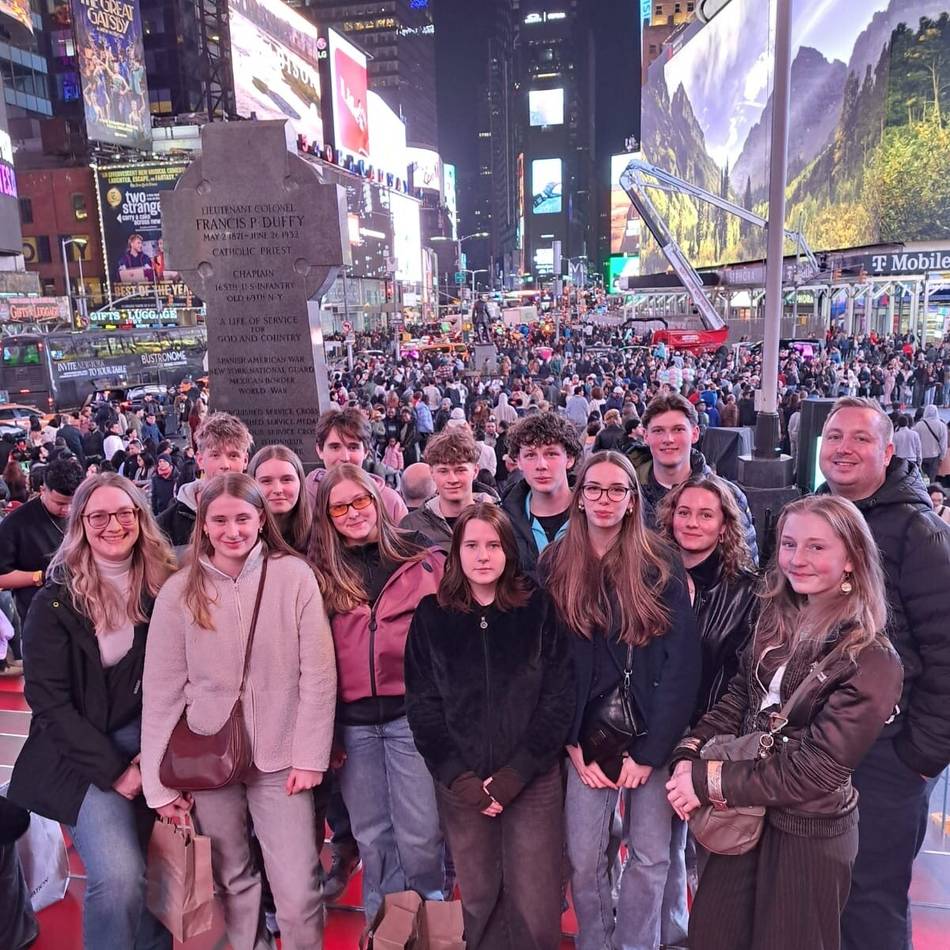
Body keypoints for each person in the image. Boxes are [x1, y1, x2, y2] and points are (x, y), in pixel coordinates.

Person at [666, 495, 904, 950]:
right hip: (739, 818)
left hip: (806, 833)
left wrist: (706, 780)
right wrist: (689, 749)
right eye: (790, 544)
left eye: (817, 547)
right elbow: (740, 695)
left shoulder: (873, 657)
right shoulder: (774, 616)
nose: (797, 559)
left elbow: (816, 771)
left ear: (852, 559)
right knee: (712, 936)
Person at [141, 474, 336, 950]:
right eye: (221, 520)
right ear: (204, 525)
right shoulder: (179, 592)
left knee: (297, 890)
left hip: (282, 760)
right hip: (207, 758)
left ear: (261, 520)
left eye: (243, 518)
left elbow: (318, 674)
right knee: (232, 880)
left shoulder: (294, 577)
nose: (233, 530)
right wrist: (157, 784)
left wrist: (310, 755)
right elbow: (163, 691)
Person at [8, 473, 179, 950]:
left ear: (140, 517)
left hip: (151, 743)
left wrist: (160, 755)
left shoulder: (166, 584)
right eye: (98, 516)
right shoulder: (55, 601)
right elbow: (49, 702)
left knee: (156, 874)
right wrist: (116, 771)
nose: (113, 525)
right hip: (81, 756)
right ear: (80, 523)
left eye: (124, 513)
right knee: (119, 876)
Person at [543, 450, 700, 950]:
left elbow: (681, 665)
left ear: (633, 500)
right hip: (586, 737)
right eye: (594, 489)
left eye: (617, 490)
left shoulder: (659, 562)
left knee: (651, 857)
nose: (604, 499)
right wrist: (572, 743)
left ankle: (636, 944)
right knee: (585, 858)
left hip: (652, 732)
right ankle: (597, 941)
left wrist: (651, 753)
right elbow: (547, 664)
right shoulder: (556, 563)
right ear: (579, 497)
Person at [405, 504, 574, 949]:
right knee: (479, 899)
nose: (483, 556)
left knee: (536, 901)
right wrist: (459, 777)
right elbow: (423, 707)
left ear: (509, 551)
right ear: (456, 553)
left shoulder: (538, 609)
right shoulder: (431, 616)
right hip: (462, 783)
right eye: (472, 545)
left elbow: (557, 700)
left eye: (494, 545)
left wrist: (516, 774)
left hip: (531, 779)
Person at [817, 397, 950, 950]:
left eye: (861, 438)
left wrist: (919, 756)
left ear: (889, 451)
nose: (844, 448)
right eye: (834, 436)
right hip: (819, 746)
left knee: (870, 901)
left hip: (888, 754)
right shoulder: (816, 516)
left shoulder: (919, 532)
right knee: (823, 893)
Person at [309, 464, 445, 920]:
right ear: (327, 516)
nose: (353, 513)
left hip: (412, 718)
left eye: (360, 501)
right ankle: (384, 930)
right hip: (354, 726)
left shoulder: (421, 555)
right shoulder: (320, 573)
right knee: (373, 837)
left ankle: (428, 925)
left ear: (377, 500)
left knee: (421, 834)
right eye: (339, 507)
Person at [657, 474, 759, 722]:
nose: (692, 523)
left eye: (706, 515)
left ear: (723, 527)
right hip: (648, 724)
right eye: (684, 513)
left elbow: (740, 684)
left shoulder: (749, 593)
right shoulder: (650, 579)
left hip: (709, 729)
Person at [628, 392, 759, 562]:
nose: (668, 439)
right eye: (658, 431)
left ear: (695, 433)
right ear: (646, 436)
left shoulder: (730, 496)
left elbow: (745, 564)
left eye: (678, 429)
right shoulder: (627, 496)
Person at [0, 455, 84, 626]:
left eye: (73, 503)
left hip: (84, 605)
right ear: (43, 490)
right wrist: (44, 576)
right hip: (40, 612)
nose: (67, 510)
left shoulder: (85, 512)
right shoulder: (16, 523)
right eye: (60, 503)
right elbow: (2, 577)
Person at [157, 411, 252, 554]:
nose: (225, 465)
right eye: (215, 455)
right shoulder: (165, 526)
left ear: (245, 461)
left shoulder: (262, 511)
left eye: (233, 455)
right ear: (200, 460)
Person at [500, 412, 582, 573]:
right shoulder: (503, 523)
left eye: (551, 454)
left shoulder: (593, 514)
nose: (541, 465)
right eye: (530, 455)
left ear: (570, 459)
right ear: (518, 461)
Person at [401, 428, 498, 552]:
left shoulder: (498, 521)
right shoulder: (411, 526)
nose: (452, 479)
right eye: (443, 471)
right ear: (432, 473)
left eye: (460, 470)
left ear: (475, 471)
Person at [304, 407, 408, 524]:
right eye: (335, 447)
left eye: (353, 447)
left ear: (366, 451)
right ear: (320, 450)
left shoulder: (390, 502)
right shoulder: (303, 501)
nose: (345, 457)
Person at [249, 444, 313, 553]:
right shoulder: (240, 539)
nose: (277, 490)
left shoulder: (320, 535)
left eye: (286, 480)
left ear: (300, 483)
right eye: (266, 481)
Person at [914, 403, 947, 481]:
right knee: (931, 478)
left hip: (921, 455)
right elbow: (943, 444)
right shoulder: (942, 426)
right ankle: (930, 488)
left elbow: (915, 441)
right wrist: (942, 457)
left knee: (921, 478)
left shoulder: (919, 425)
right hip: (934, 457)